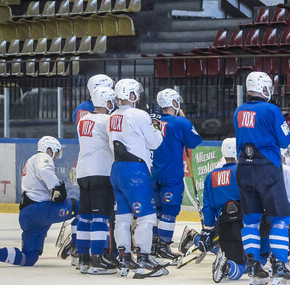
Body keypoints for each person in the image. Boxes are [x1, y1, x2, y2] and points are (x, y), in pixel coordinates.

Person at [0, 136, 77, 268]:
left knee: (29, 258)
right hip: (40, 210)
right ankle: (76, 246)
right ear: (49, 149)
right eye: (57, 153)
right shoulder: (42, 157)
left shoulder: (30, 161)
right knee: (82, 207)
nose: (56, 157)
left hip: (27, 216)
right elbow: (44, 170)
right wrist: (57, 186)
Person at [234, 71, 290, 285]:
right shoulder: (272, 109)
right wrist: (283, 121)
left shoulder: (239, 110)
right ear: (263, 88)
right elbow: (284, 140)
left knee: (250, 220)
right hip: (267, 170)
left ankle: (253, 263)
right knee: (280, 219)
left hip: (243, 169)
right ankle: (279, 264)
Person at [108, 78, 167, 277]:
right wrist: (156, 123)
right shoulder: (139, 114)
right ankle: (144, 259)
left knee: (122, 217)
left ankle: (124, 259)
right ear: (131, 95)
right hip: (136, 169)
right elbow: (155, 142)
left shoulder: (112, 116)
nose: (138, 96)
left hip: (116, 168)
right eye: (136, 93)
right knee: (147, 217)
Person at [151, 88, 203, 261]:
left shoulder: (152, 121)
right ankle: (163, 246)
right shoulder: (180, 123)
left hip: (153, 173)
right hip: (171, 174)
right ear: (174, 103)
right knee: (170, 211)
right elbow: (195, 141)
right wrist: (185, 119)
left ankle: (152, 244)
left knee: (156, 211)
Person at [75, 86, 118, 274]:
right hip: (101, 171)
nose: (114, 104)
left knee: (85, 217)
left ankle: (83, 259)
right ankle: (97, 259)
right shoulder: (107, 120)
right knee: (101, 217)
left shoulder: (83, 120)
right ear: (106, 102)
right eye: (112, 101)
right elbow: (114, 145)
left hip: (83, 172)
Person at [203, 138, 249, 282]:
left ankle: (226, 260)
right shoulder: (242, 171)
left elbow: (208, 207)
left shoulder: (211, 176)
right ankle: (229, 266)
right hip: (244, 223)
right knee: (243, 266)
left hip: (223, 225)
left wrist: (208, 229)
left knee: (234, 253)